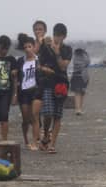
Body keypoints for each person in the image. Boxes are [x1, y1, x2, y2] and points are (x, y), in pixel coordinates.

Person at [37, 23, 72, 154]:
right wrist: (44, 68)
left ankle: (52, 144)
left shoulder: (67, 49)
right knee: (47, 113)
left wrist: (57, 53)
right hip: (48, 83)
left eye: (60, 36)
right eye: (55, 35)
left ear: (64, 37)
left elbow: (63, 67)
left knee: (58, 115)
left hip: (61, 84)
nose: (57, 38)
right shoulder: (46, 48)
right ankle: (46, 134)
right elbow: (38, 64)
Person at [16, 35, 40, 150]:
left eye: (29, 46)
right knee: (26, 118)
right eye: (25, 47)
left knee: (34, 116)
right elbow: (16, 78)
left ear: (34, 47)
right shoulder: (20, 61)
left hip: (35, 90)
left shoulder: (38, 60)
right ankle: (26, 139)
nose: (27, 49)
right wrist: (15, 94)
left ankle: (35, 142)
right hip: (23, 92)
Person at [70, 48, 90, 115]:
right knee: (81, 93)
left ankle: (78, 109)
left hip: (76, 75)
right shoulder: (85, 56)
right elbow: (88, 62)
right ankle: (79, 109)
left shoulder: (75, 57)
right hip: (84, 76)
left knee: (77, 93)